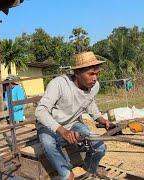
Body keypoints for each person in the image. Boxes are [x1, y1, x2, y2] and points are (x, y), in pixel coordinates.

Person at [35, 51, 111, 179]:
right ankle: (66, 173)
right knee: (48, 144)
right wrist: (63, 131)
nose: (95, 78)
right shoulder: (59, 84)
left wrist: (102, 119)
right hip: (49, 127)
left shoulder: (94, 86)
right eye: (91, 74)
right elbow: (40, 111)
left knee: (100, 148)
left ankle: (89, 167)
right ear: (77, 73)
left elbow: (89, 103)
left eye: (97, 74)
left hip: (73, 124)